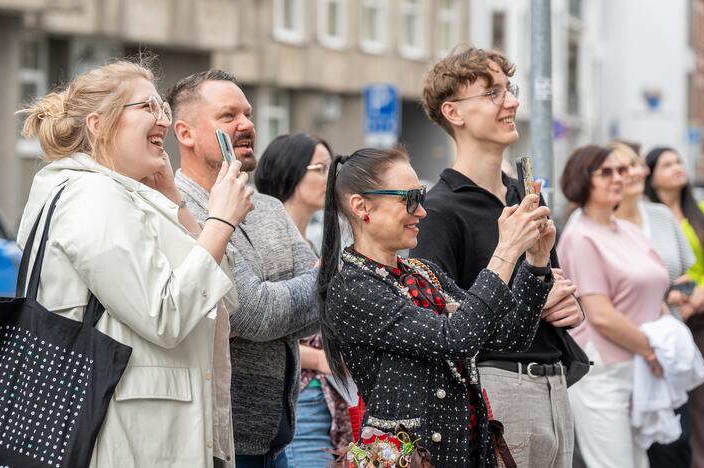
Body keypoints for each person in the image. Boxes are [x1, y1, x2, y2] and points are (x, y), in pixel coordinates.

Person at [17, 60, 254, 467]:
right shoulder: (91, 195)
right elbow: (164, 315)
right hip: (129, 438)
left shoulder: (125, 195)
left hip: (152, 432)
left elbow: (222, 300)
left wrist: (176, 204)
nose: (162, 119)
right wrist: (220, 221)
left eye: (162, 107)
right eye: (147, 107)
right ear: (99, 124)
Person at [318, 147, 556, 467]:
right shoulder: (353, 288)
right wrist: (506, 250)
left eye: (422, 196)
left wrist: (536, 261)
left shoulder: (422, 272)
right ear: (361, 207)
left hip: (467, 454)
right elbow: (457, 337)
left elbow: (509, 338)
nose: (422, 212)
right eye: (410, 199)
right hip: (407, 459)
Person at [410, 45, 584, 468]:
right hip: (497, 389)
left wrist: (564, 301)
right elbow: (442, 325)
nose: (511, 102)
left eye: (509, 89)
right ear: (454, 113)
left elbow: (549, 288)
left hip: (555, 385)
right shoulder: (437, 211)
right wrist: (534, 299)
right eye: (492, 93)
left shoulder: (521, 195)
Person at [166, 70, 319, 468]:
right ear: (185, 133)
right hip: (220, 444)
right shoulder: (179, 210)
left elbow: (323, 307)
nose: (247, 125)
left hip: (278, 436)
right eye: (228, 116)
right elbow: (254, 313)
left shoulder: (268, 207)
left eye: (248, 114)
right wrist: (310, 282)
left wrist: (289, 295)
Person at [569, 140, 696, 467]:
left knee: (640, 462)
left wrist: (663, 340)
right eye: (606, 172)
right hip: (604, 373)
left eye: (621, 171)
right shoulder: (580, 236)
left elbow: (659, 291)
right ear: (583, 179)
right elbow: (601, 315)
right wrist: (652, 349)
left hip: (640, 368)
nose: (618, 178)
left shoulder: (629, 231)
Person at [254, 133, 353, 467]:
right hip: (298, 393)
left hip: (329, 397)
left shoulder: (310, 244)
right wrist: (320, 360)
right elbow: (257, 319)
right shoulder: (261, 243)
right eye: (322, 169)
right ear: (290, 172)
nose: (333, 180)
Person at [645, 147, 704, 468]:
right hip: (663, 317)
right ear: (651, 175)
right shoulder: (646, 215)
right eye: (667, 164)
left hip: (703, 314)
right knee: (670, 397)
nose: (677, 168)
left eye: (678, 161)